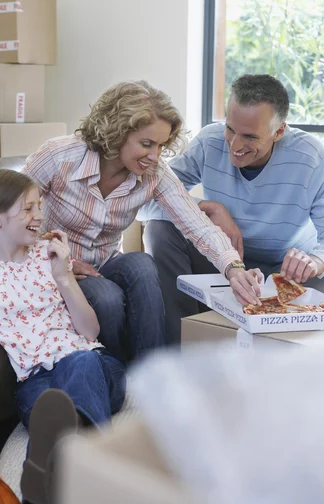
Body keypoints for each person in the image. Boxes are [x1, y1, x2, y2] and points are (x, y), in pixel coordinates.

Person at [0, 169, 126, 504]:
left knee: (80, 364)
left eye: (39, 206)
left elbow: (90, 332)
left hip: (96, 366)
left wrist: (64, 277)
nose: (39, 216)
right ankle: (69, 470)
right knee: (52, 407)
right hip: (33, 381)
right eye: (28, 209)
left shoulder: (48, 259)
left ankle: (60, 472)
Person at [24, 80, 263, 361]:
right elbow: (10, 216)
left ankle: (152, 373)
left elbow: (196, 224)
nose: (154, 156)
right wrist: (55, 260)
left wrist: (234, 269)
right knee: (107, 297)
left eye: (161, 146)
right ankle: (112, 371)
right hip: (54, 266)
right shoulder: (59, 157)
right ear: (116, 132)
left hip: (104, 263)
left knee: (142, 263)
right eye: (146, 144)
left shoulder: (154, 173)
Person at [139, 74, 324, 342]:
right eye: (230, 129)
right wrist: (207, 207)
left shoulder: (312, 158)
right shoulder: (209, 142)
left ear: (279, 131)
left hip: (286, 273)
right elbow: (144, 203)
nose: (235, 146)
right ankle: (179, 342)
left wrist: (315, 261)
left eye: (249, 136)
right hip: (221, 261)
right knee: (159, 230)